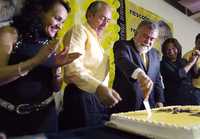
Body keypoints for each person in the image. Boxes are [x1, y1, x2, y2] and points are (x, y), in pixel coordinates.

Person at [0, 0, 80, 136]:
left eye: (63, 22)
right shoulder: (11, 34)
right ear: (39, 12)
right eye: (57, 19)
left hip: (46, 118)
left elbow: (56, 87)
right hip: (10, 118)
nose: (60, 26)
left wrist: (57, 68)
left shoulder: (52, 43)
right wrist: (35, 61)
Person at [59, 1, 121, 130]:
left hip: (96, 98)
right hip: (80, 96)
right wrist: (98, 87)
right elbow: (72, 69)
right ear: (89, 15)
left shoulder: (98, 42)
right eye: (102, 18)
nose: (105, 24)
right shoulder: (79, 30)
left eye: (108, 20)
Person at [111, 20, 165, 113]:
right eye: (145, 36)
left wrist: (160, 100)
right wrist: (139, 74)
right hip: (125, 106)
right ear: (136, 33)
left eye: (152, 39)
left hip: (149, 107)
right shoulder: (122, 45)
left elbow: (157, 80)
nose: (148, 41)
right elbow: (123, 60)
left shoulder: (155, 54)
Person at [160, 38, 199, 105]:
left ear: (178, 48)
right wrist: (190, 63)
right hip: (174, 100)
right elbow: (178, 75)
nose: (171, 51)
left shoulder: (183, 61)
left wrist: (195, 60)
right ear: (164, 51)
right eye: (168, 49)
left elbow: (195, 75)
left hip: (191, 98)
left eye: (173, 48)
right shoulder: (162, 64)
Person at [183, 33, 200, 104]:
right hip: (195, 90)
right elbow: (188, 74)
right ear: (195, 42)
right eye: (199, 42)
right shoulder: (187, 55)